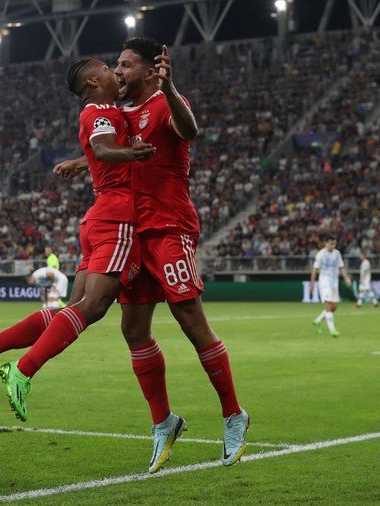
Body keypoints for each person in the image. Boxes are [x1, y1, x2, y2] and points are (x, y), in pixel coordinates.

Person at [0, 58, 167, 471]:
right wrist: (135, 154)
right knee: (93, 308)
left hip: (97, 218)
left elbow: (98, 148)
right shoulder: (102, 110)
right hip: (119, 217)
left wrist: (80, 159)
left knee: (71, 309)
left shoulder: (99, 112)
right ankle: (23, 369)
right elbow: (106, 147)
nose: (114, 72)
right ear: (93, 80)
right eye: (108, 67)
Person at [56, 39, 249, 467]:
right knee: (134, 330)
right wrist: (80, 160)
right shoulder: (118, 112)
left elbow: (190, 130)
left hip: (168, 226)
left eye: (125, 64)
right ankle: (164, 421)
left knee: (190, 320)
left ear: (148, 71)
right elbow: (112, 149)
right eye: (116, 64)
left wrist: (172, 88)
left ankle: (234, 414)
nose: (118, 71)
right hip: (133, 233)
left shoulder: (166, 103)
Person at [310, 235, 352, 337]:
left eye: (334, 243)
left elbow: (341, 267)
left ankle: (318, 321)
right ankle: (332, 330)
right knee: (328, 305)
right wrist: (312, 284)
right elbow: (315, 270)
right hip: (324, 282)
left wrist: (346, 278)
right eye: (331, 243)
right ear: (326, 243)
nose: (333, 245)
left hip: (334, 282)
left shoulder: (337, 253)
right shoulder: (320, 255)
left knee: (334, 307)